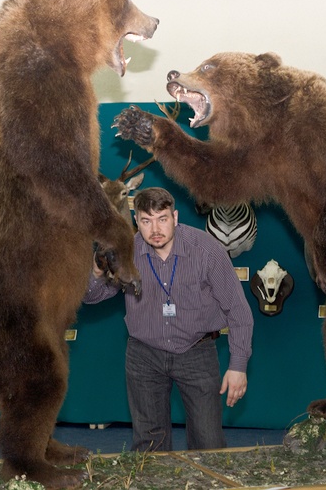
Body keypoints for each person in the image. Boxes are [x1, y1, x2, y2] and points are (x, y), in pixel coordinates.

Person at [83, 187, 254, 452]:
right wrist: (95, 269)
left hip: (196, 351)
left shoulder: (207, 250)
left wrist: (238, 366)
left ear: (175, 217)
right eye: (146, 221)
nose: (155, 229)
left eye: (162, 218)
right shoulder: (128, 251)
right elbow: (92, 296)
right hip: (144, 356)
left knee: (208, 443)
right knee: (149, 445)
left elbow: (238, 311)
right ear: (136, 221)